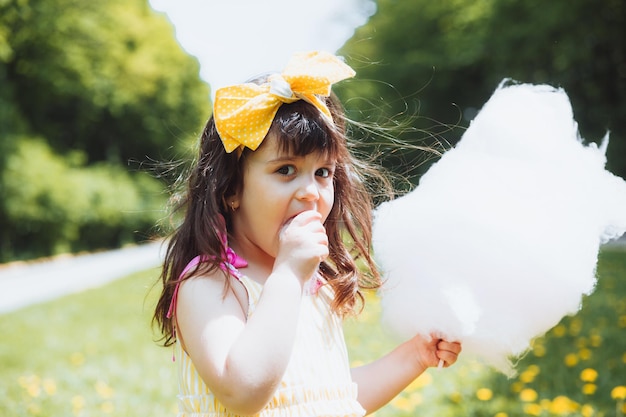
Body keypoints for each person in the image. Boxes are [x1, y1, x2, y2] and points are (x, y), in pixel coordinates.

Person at [152, 51, 461, 417]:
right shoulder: (208, 284)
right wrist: (286, 275)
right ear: (231, 189)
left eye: (323, 173)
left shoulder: (313, 285)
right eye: (285, 170)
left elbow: (329, 397)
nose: (311, 192)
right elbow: (243, 391)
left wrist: (415, 355)